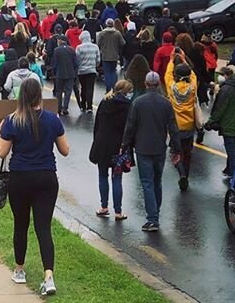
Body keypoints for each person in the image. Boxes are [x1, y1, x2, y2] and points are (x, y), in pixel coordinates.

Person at [0, 78, 69, 296]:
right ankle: (49, 276)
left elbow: (2, 152)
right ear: (39, 96)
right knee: (43, 227)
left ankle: (19, 269)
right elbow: (65, 150)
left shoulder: (12, 121)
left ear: (21, 96)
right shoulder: (53, 119)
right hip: (46, 177)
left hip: (20, 177)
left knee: (21, 224)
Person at [121, 71, 181, 232]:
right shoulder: (166, 103)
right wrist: (176, 148)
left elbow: (131, 127)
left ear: (146, 84)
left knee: (146, 182)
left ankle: (152, 218)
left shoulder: (138, 103)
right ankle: (156, 212)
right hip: (159, 147)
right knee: (157, 181)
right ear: (158, 84)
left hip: (142, 147)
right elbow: (173, 128)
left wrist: (125, 145)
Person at [89, 80, 133, 220]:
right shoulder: (127, 106)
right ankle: (118, 211)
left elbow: (97, 125)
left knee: (102, 176)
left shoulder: (104, 102)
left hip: (102, 145)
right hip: (118, 146)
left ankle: (104, 206)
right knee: (117, 178)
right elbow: (129, 128)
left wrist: (96, 140)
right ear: (126, 93)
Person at [205, 67, 235, 178]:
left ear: (226, 75)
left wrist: (211, 121)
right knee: (233, 147)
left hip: (228, 124)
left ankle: (234, 172)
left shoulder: (225, 89)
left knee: (230, 149)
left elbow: (220, 108)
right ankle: (228, 168)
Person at [164, 54, 197, 191]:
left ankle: (181, 173)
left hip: (176, 125)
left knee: (175, 152)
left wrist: (171, 60)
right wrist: (184, 59)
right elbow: (194, 76)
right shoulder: (192, 87)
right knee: (187, 152)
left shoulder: (172, 88)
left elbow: (167, 76)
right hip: (189, 124)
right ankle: (187, 175)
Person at [50, 35, 78, 115]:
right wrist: (74, 73)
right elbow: (75, 63)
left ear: (60, 41)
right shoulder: (72, 50)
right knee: (68, 91)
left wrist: (54, 73)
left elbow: (54, 64)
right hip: (70, 73)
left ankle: (58, 108)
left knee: (59, 91)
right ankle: (65, 108)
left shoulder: (56, 50)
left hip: (60, 73)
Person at [96, 18, 125, 92]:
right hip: (114, 55)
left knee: (107, 73)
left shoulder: (102, 33)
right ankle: (114, 86)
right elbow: (123, 43)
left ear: (106, 24)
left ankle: (108, 88)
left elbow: (98, 44)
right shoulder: (117, 33)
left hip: (105, 56)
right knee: (113, 71)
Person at [76, 31, 100, 113]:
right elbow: (98, 60)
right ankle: (90, 106)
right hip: (92, 70)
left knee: (83, 88)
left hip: (82, 71)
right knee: (90, 88)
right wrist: (94, 65)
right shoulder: (95, 47)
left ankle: (83, 105)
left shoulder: (79, 47)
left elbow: (77, 59)